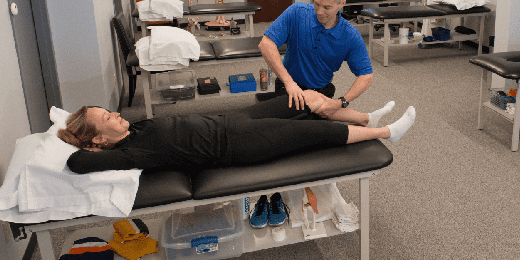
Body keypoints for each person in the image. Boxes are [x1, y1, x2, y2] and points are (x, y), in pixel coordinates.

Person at [58, 91, 415, 175]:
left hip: (231, 120)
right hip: (237, 145)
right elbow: (76, 163)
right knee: (315, 133)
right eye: (107, 117)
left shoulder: (131, 131)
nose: (116, 113)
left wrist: (87, 132)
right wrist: (80, 143)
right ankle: (386, 132)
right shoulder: (127, 153)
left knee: (301, 100)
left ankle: (366, 117)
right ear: (98, 140)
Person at [258, 0, 373, 118]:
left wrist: (341, 102)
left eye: (327, 7)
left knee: (317, 131)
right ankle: (365, 119)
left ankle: (367, 120)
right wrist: (289, 82)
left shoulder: (350, 36)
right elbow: (265, 44)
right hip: (288, 87)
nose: (319, 11)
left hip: (321, 91)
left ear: (342, 4)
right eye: (316, 3)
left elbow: (366, 76)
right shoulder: (297, 12)